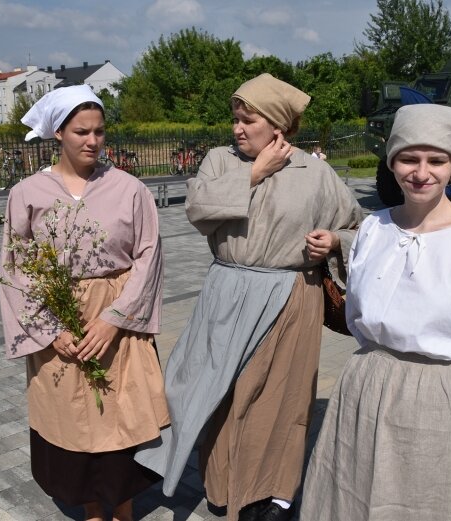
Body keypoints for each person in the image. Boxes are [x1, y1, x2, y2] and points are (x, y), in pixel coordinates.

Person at [134, 73, 362, 521]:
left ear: (277, 124)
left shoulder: (314, 171)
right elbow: (197, 209)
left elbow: (358, 226)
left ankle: (273, 494)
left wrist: (334, 241)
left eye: (248, 120)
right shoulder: (221, 161)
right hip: (228, 291)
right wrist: (255, 174)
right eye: (235, 119)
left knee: (283, 398)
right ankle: (221, 486)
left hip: (292, 297)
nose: (237, 128)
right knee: (218, 393)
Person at [300, 104, 451, 521]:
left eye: (436, 160)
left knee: (432, 503)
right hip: (367, 385)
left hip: (442, 398)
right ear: (392, 162)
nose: (421, 172)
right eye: (409, 158)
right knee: (355, 493)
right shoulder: (374, 228)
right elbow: (358, 312)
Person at [0, 85, 169, 521]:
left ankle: (124, 509)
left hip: (119, 322)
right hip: (60, 320)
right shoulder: (28, 193)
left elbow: (148, 256)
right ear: (58, 133)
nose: (92, 141)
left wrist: (115, 319)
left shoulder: (130, 189)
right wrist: (52, 329)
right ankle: (93, 511)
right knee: (73, 421)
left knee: (121, 417)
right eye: (81, 132)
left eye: (99, 131)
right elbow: (18, 267)